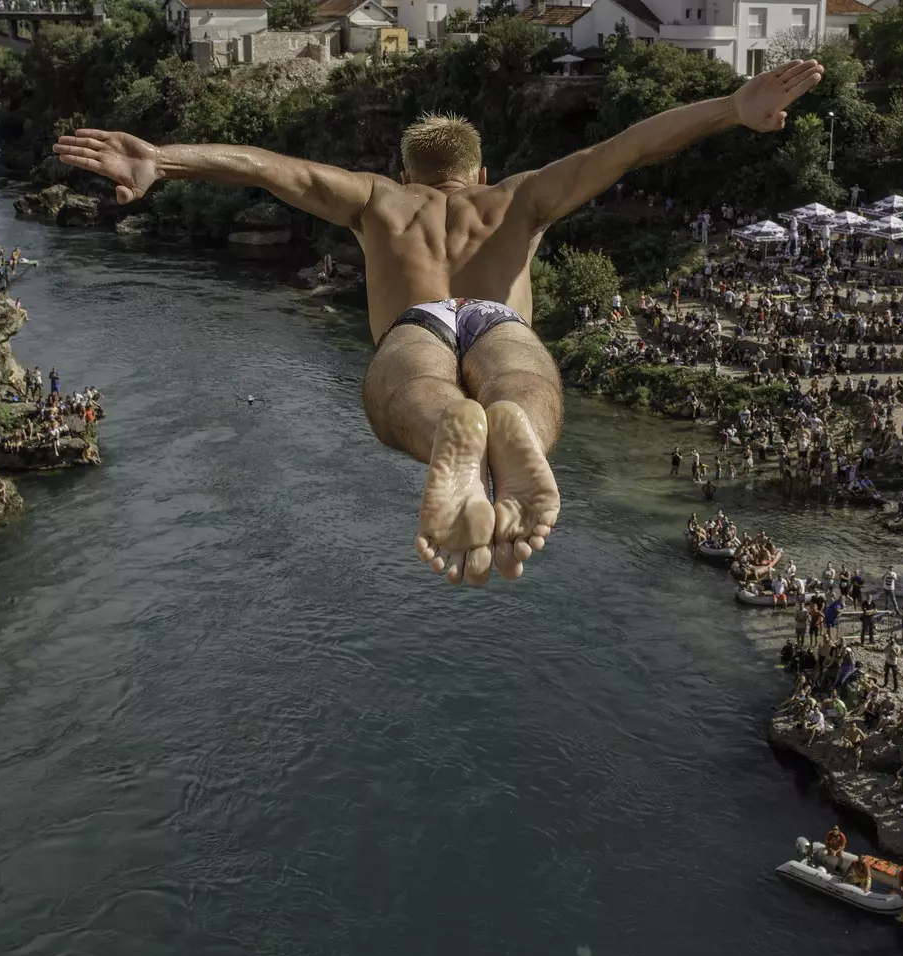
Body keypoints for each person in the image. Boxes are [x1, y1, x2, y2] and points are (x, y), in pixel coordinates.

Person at [56, 60, 826, 586]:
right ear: (479, 172)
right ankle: (506, 423)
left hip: (416, 321)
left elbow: (269, 168)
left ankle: (447, 428)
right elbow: (624, 150)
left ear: (406, 173)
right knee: (524, 378)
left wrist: (166, 158)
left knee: (408, 391)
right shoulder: (517, 197)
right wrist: (730, 107)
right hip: (496, 316)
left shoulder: (377, 200)